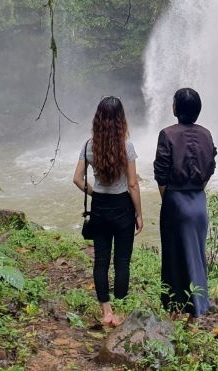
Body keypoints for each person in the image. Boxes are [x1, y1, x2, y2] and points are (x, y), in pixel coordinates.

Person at [73, 96, 143, 326]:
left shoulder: (89, 146)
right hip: (123, 207)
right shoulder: (126, 146)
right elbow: (132, 184)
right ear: (121, 119)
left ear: (98, 119)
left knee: (101, 261)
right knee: (122, 261)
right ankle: (120, 312)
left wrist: (94, 193)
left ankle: (106, 312)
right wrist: (139, 214)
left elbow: (77, 179)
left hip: (100, 208)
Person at [153, 87, 217, 320]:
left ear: (176, 109)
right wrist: (198, 189)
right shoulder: (206, 134)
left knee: (173, 256)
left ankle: (174, 307)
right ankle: (198, 307)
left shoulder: (167, 134)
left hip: (175, 200)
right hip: (199, 201)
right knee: (197, 255)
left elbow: (161, 171)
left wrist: (169, 198)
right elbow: (210, 165)